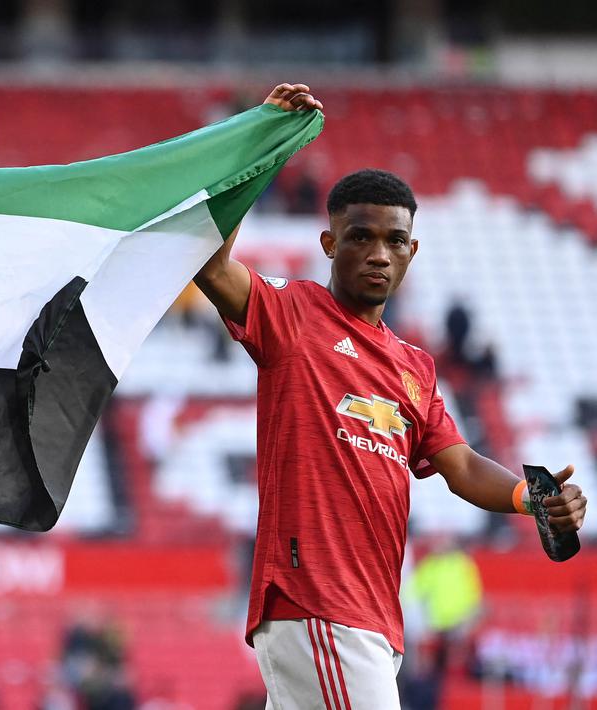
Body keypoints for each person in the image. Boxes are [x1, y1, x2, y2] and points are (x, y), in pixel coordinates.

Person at [193, 84, 588, 709]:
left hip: (372, 617)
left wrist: (528, 496)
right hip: (320, 604)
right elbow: (211, 267)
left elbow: (458, 466)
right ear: (329, 244)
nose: (378, 253)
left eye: (394, 240)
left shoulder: (414, 368)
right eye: (360, 236)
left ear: (412, 251)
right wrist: (256, 145)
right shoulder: (293, 313)